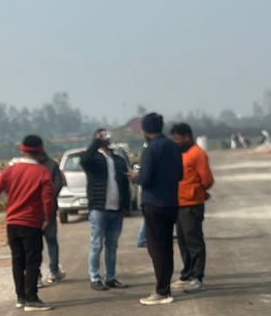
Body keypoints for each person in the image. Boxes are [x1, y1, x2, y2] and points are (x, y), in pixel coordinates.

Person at [0, 134, 57, 311]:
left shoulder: (10, 170)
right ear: (41, 151)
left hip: (12, 222)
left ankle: (21, 297)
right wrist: (48, 218)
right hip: (31, 223)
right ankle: (32, 298)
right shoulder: (42, 172)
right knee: (33, 261)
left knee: (18, 260)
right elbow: (48, 199)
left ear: (22, 150)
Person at [135, 112, 183, 305]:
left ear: (145, 130)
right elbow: (180, 174)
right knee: (167, 247)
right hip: (171, 202)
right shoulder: (173, 146)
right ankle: (166, 287)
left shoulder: (151, 149)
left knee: (156, 248)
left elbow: (145, 178)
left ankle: (162, 291)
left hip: (154, 203)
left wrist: (135, 177)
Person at [79, 129, 132, 290]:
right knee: (96, 244)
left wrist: (126, 205)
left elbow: (124, 184)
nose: (105, 138)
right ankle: (95, 278)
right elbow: (85, 161)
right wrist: (95, 142)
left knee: (112, 245)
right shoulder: (93, 159)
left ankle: (111, 277)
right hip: (98, 208)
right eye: (101, 136)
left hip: (116, 210)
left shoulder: (118, 160)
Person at [169, 123, 215, 292]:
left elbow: (207, 180)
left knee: (194, 242)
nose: (175, 142)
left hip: (192, 204)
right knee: (183, 241)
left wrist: (198, 191)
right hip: (179, 203)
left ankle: (197, 277)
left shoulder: (197, 154)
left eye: (177, 138)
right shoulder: (180, 153)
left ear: (187, 137)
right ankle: (187, 274)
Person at [38, 146, 66, 286]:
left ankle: (36, 276)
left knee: (34, 246)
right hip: (49, 210)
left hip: (34, 212)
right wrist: (48, 196)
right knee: (52, 242)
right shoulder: (52, 165)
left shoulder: (29, 166)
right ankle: (54, 271)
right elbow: (59, 184)